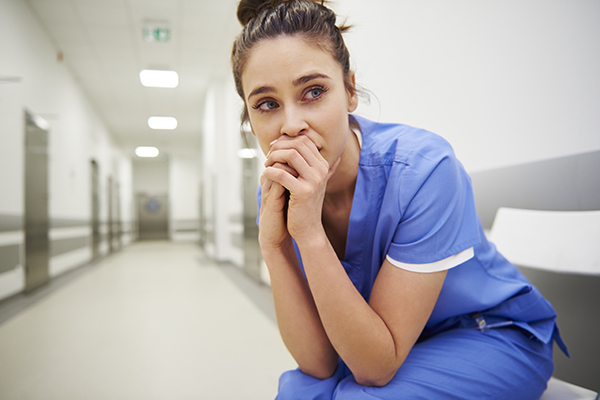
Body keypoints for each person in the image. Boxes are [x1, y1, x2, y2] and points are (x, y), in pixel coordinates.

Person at [231, 1, 567, 398]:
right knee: (302, 392)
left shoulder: (423, 169)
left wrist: (308, 233)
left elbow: (375, 368)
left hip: (486, 333)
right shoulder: (276, 195)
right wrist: (273, 245)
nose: (290, 125)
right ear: (250, 119)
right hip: (383, 344)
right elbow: (318, 362)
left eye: (314, 92)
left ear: (350, 91)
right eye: (267, 104)